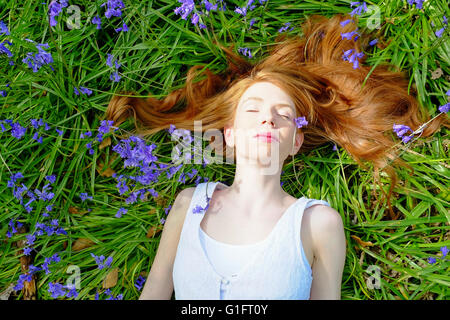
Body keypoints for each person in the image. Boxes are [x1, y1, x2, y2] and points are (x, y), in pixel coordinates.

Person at [103, 14, 447, 300]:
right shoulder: (189, 204)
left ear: (295, 141)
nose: (268, 118)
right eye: (252, 110)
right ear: (231, 134)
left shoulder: (318, 224)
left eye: (283, 113)